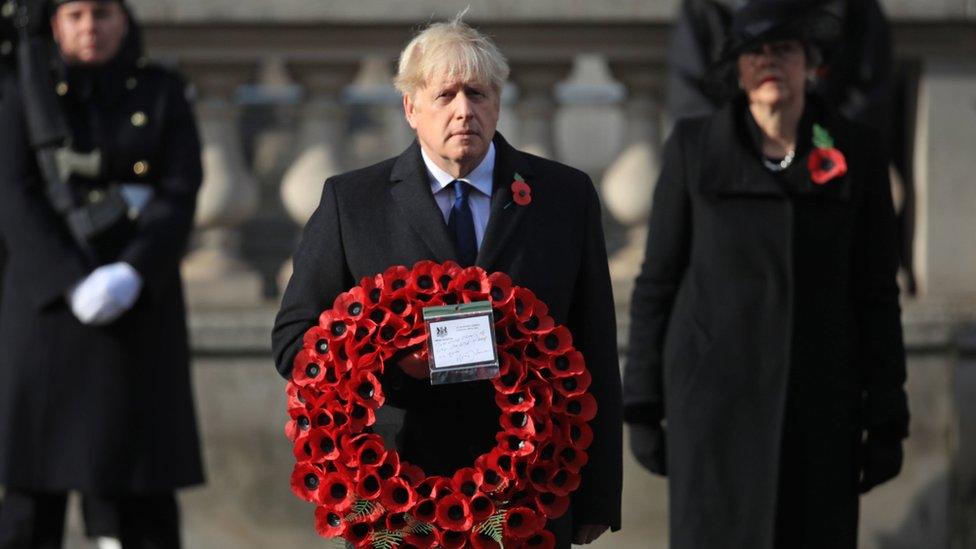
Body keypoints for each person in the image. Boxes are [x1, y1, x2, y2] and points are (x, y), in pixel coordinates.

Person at [272, 16, 622, 547]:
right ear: (411, 108)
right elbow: (296, 342)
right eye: (445, 95)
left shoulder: (563, 197)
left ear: (498, 104)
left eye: (478, 93)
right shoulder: (353, 202)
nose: (464, 110)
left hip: (527, 495)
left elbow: (594, 347)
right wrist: (391, 363)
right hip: (398, 492)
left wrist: (597, 495)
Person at [624, 1, 909, 548]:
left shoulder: (855, 151)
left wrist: (888, 415)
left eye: (784, 50)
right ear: (738, 70)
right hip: (712, 413)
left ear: (810, 63)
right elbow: (656, 285)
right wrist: (641, 407)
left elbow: (876, 292)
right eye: (754, 53)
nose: (770, 63)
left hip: (819, 411)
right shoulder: (693, 148)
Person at [0, 1, 204, 547]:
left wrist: (134, 271)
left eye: (104, 12)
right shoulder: (23, 91)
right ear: (55, 24)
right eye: (76, 14)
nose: (91, 26)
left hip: (137, 302)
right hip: (50, 308)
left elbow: (179, 189)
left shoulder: (160, 90)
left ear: (125, 20)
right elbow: (14, 193)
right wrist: (69, 279)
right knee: (32, 495)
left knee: (141, 488)